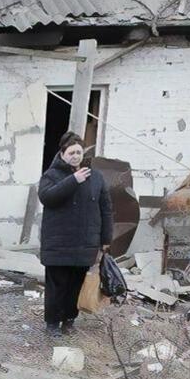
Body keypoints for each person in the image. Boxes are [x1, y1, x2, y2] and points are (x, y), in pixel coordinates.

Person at [37, 131, 114, 336]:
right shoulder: (51, 175)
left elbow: (106, 209)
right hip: (58, 243)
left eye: (79, 152)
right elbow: (47, 197)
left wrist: (106, 239)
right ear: (62, 154)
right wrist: (73, 180)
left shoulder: (96, 177)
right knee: (57, 286)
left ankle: (69, 321)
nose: (75, 156)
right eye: (71, 152)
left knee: (75, 285)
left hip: (85, 243)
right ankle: (52, 323)